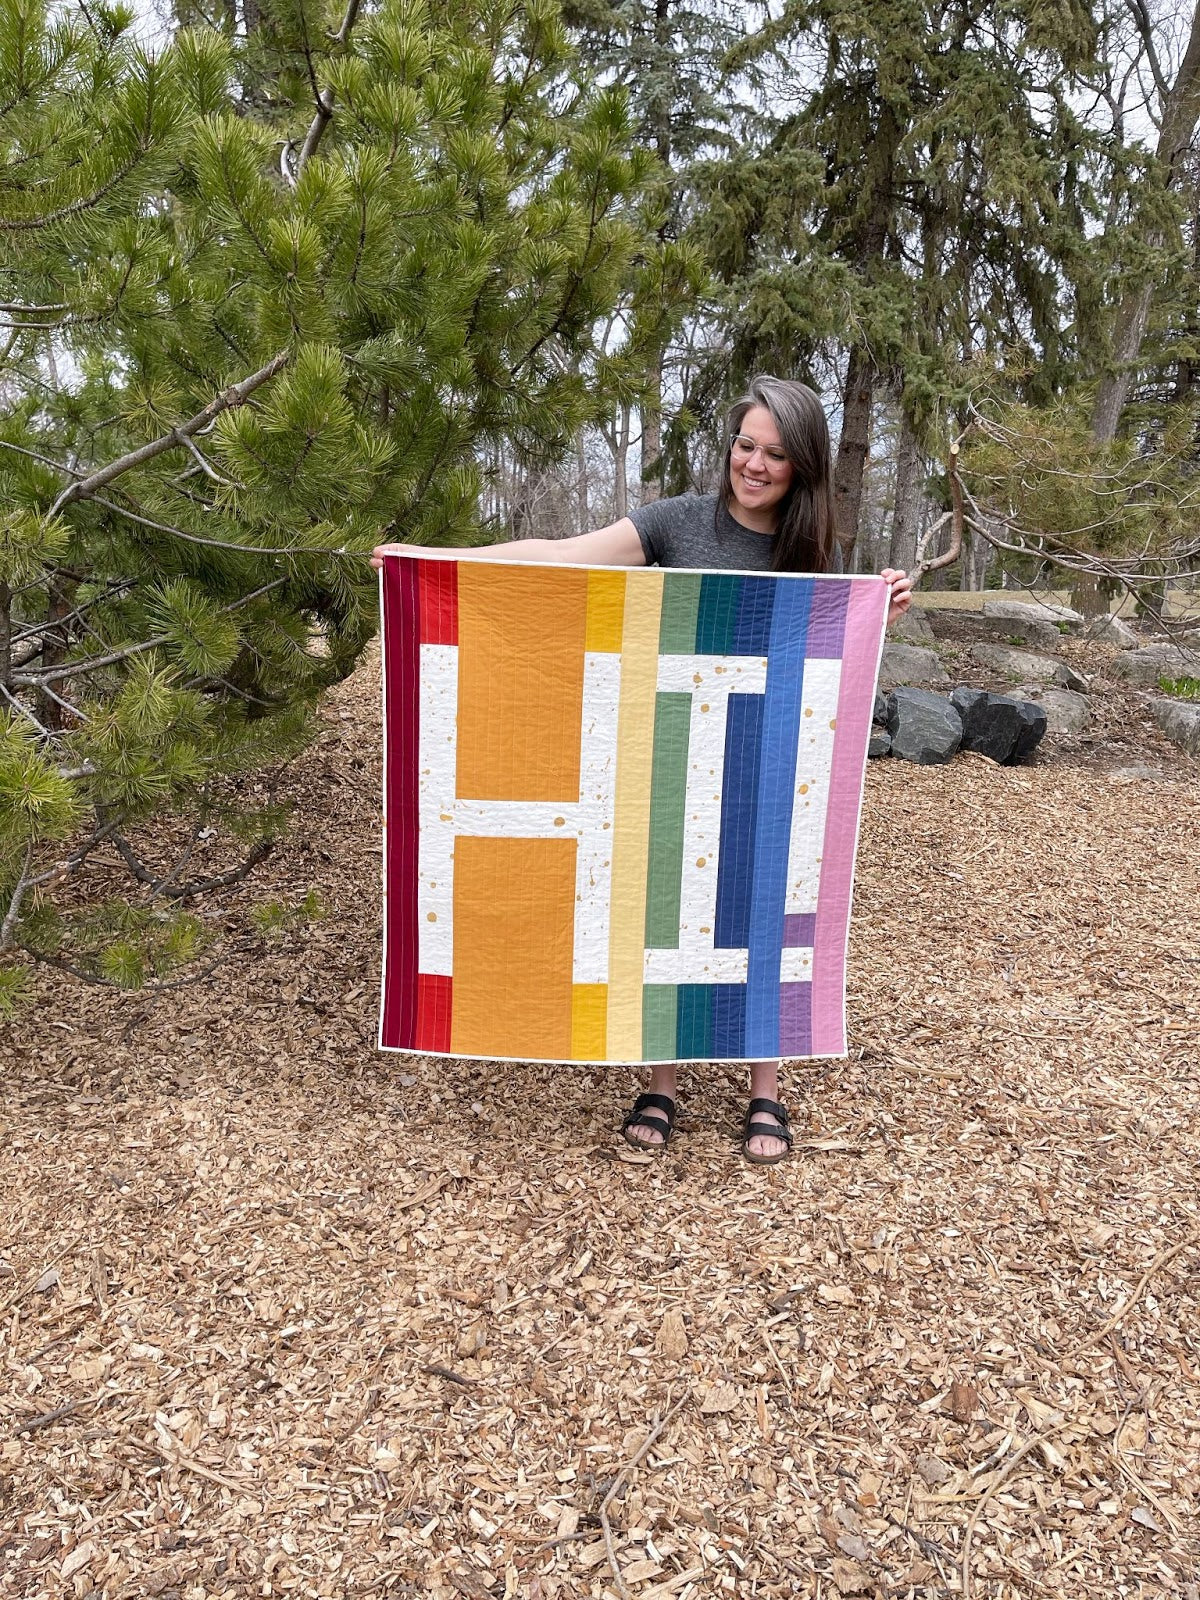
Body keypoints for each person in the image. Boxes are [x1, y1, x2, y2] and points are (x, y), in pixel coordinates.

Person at [372, 375, 913, 1164]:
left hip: (761, 757)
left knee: (762, 903)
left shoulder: (810, 550)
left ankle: (766, 1090)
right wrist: (440, 560)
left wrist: (881, 602)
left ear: (803, 466)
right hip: (673, 748)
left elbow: (829, 655)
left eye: (774, 454)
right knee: (671, 903)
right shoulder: (675, 522)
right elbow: (559, 558)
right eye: (745, 445)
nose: (753, 465)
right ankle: (663, 1081)